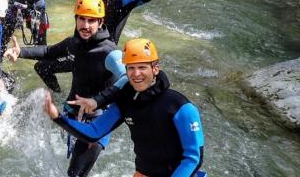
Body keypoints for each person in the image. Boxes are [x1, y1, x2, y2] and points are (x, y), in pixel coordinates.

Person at [44, 38, 205, 177]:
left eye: (142, 67)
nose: (136, 74)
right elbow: (93, 133)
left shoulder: (180, 107)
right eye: (131, 68)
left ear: (155, 68)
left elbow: (193, 158)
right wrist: (57, 116)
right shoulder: (126, 102)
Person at [4, 0, 126, 177]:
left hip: (97, 122)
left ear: (100, 22)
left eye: (91, 21)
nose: (85, 25)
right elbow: (48, 51)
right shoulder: (74, 43)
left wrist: (97, 101)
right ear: (76, 19)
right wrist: (21, 51)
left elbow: (127, 78)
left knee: (74, 174)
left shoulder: (110, 52)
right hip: (72, 115)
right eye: (82, 19)